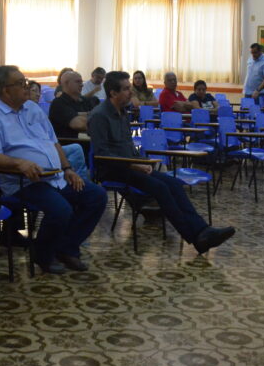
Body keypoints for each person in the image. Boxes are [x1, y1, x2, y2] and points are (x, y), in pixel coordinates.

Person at [0, 65, 106, 274]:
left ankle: (66, 248)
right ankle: (43, 254)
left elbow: (53, 142)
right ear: (4, 90)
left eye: (25, 81)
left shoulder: (33, 109)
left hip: (55, 177)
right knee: (61, 209)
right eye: (20, 84)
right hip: (25, 182)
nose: (26, 87)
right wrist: (19, 163)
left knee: (96, 196)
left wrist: (68, 169)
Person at [89, 71, 236, 254]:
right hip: (113, 169)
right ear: (113, 93)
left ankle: (202, 231)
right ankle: (196, 237)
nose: (130, 93)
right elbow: (103, 155)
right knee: (161, 188)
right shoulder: (99, 116)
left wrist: (143, 162)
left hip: (131, 165)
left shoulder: (123, 113)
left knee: (173, 183)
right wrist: (134, 165)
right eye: (126, 89)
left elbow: (129, 147)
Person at [48, 71, 98, 139]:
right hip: (69, 145)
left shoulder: (86, 101)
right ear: (66, 83)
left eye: (81, 82)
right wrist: (91, 116)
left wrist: (81, 114)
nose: (82, 85)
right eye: (78, 82)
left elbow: (99, 116)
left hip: (90, 142)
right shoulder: (58, 103)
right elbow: (80, 124)